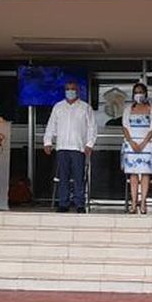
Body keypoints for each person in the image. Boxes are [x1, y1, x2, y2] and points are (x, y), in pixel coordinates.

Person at [43, 80, 96, 213]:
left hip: (79, 148)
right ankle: (63, 203)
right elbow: (51, 126)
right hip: (62, 147)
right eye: (68, 89)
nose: (70, 91)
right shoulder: (58, 107)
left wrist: (90, 144)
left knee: (79, 177)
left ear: (77, 91)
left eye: (73, 89)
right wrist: (48, 142)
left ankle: (79, 204)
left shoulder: (85, 107)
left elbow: (92, 128)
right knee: (63, 177)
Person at [121, 82, 152, 214]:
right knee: (133, 174)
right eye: (136, 92)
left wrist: (143, 144)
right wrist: (131, 142)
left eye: (141, 92)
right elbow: (125, 127)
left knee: (145, 174)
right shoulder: (128, 109)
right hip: (131, 145)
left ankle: (143, 203)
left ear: (145, 94)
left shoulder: (151, 108)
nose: (138, 95)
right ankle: (133, 203)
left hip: (146, 145)